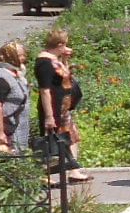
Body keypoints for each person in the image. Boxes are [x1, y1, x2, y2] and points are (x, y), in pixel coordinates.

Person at [35, 29, 92, 182]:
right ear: (60, 44)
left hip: (64, 107)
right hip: (54, 107)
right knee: (50, 140)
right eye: (65, 44)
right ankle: (43, 174)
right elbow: (45, 90)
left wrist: (65, 59)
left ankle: (73, 170)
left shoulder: (55, 59)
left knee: (71, 137)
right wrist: (49, 116)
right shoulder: (44, 62)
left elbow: (64, 77)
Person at [0, 41, 31, 155]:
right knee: (2, 158)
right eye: (19, 55)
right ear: (9, 56)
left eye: (23, 54)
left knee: (18, 156)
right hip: (5, 126)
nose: (23, 58)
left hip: (17, 125)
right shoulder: (1, 76)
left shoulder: (16, 73)